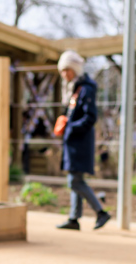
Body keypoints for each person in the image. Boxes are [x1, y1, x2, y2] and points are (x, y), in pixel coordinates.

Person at [54, 50, 110, 231]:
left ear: (75, 69)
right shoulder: (75, 88)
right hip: (73, 141)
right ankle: (74, 218)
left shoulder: (86, 88)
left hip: (80, 143)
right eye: (62, 71)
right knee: (74, 179)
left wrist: (70, 127)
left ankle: (101, 212)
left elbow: (90, 117)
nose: (64, 74)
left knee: (75, 181)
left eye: (67, 70)